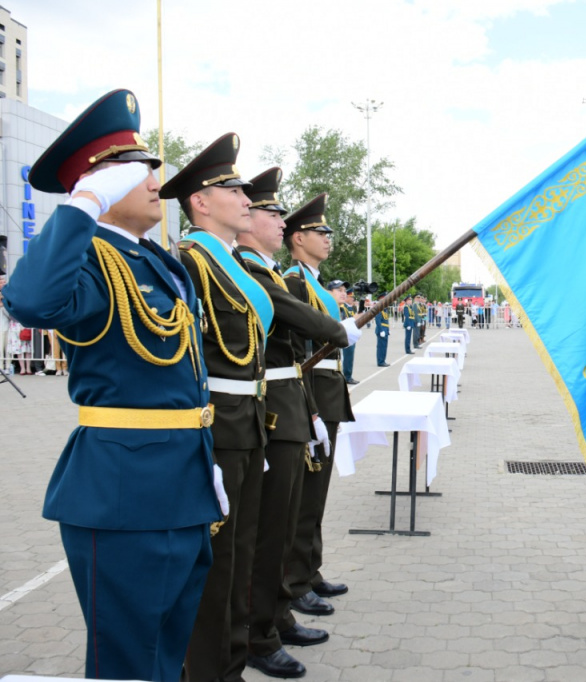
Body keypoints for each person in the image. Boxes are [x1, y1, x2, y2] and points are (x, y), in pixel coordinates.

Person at [3, 89, 221, 680]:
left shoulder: (157, 261)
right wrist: (79, 210)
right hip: (125, 491)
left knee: (168, 653)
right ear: (94, 185)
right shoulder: (91, 257)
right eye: (136, 170)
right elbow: (28, 301)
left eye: (152, 167)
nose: (156, 181)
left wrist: (207, 462)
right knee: (127, 661)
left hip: (184, 479)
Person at [162, 133, 272, 682]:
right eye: (232, 187)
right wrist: (195, 442)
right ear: (200, 202)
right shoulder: (188, 261)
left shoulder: (232, 264)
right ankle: (206, 672)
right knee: (217, 563)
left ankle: (231, 664)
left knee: (242, 555)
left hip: (247, 423)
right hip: (216, 428)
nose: (245, 196)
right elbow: (182, 357)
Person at [236, 169, 353, 678]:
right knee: (271, 528)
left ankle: (280, 607)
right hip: (270, 404)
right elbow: (298, 336)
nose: (280, 222)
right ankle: (268, 620)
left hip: (297, 397)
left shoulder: (269, 273)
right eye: (272, 213)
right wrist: (337, 328)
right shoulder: (261, 274)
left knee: (290, 517)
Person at [281, 194, 358, 627]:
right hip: (311, 390)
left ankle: (309, 570)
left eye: (328, 232)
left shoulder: (313, 281)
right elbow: (297, 350)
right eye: (319, 233)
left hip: (327, 388)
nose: (327, 239)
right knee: (303, 497)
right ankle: (295, 582)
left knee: (316, 495)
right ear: (298, 238)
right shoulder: (293, 281)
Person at [375, 292, 391, 366]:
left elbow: (386, 320)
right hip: (381, 329)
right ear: (381, 299)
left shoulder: (385, 308)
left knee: (384, 346)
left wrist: (388, 329)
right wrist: (381, 330)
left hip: (385, 329)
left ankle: (383, 360)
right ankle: (380, 361)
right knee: (381, 346)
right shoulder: (378, 307)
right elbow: (377, 320)